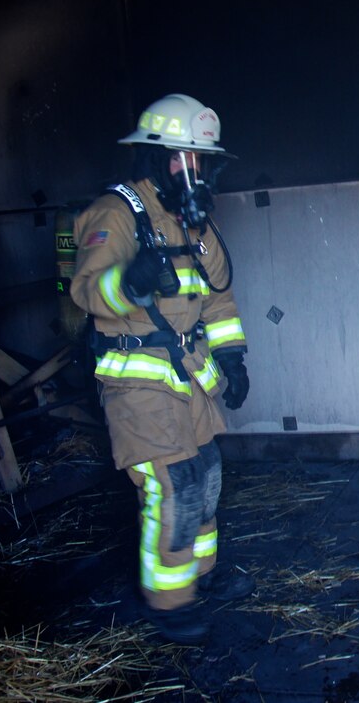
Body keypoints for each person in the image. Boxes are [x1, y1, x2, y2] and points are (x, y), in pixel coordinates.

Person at [70, 93, 254, 644]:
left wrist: (232, 356)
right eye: (182, 159)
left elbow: (218, 297)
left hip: (190, 376)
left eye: (201, 161)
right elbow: (84, 289)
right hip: (138, 383)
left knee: (206, 478)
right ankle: (169, 602)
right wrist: (128, 281)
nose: (193, 172)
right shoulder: (116, 212)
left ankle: (199, 579)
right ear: (155, 158)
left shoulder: (193, 220)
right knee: (173, 487)